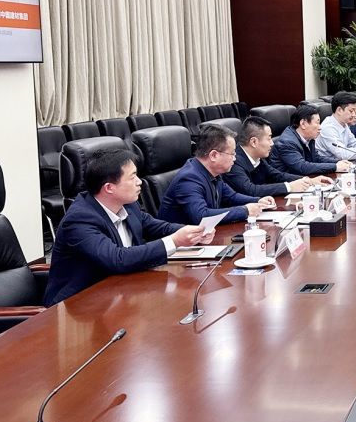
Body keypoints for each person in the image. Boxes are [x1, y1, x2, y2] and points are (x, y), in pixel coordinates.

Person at [45, 147, 213, 305]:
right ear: (109, 188)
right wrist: (174, 241)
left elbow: (155, 227)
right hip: (79, 305)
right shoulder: (80, 219)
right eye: (132, 178)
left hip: (122, 292)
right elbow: (117, 259)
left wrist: (192, 233)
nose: (140, 182)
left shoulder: (127, 204)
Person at [159, 124, 273, 225]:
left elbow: (231, 196)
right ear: (214, 155)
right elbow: (201, 216)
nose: (235, 159)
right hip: (182, 240)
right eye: (232, 154)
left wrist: (258, 201)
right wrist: (245, 211)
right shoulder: (189, 179)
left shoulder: (212, 171)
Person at [226, 116, 333, 197]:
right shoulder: (233, 161)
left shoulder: (257, 156)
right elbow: (251, 190)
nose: (272, 143)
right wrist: (289, 187)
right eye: (269, 138)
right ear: (254, 142)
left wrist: (308, 181)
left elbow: (276, 175)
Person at [271, 104, 354, 176]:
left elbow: (316, 158)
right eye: (317, 123)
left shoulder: (308, 138)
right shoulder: (287, 143)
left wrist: (338, 162)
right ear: (303, 124)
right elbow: (302, 167)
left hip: (304, 179)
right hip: (287, 185)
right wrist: (335, 167)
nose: (320, 127)